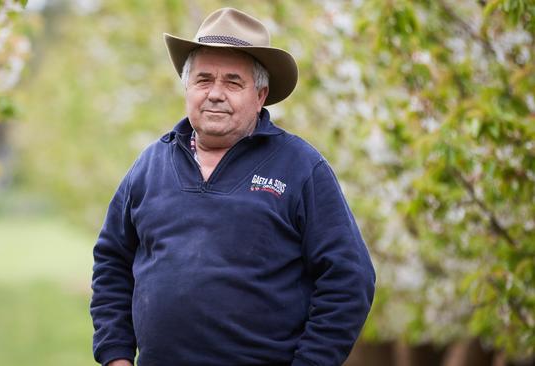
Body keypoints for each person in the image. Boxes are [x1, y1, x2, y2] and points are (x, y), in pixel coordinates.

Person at [90, 7, 375, 366]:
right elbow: (112, 262)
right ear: (188, 88)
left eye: (232, 82)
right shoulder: (150, 166)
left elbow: (350, 279)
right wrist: (115, 356)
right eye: (204, 79)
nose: (215, 94)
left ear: (260, 95)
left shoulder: (302, 168)